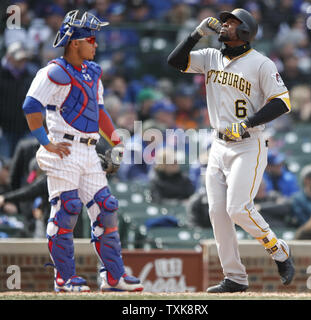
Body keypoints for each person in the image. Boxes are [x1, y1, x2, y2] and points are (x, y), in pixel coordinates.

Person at [168, 8, 295, 293]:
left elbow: (282, 101)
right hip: (218, 145)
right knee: (217, 212)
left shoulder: (261, 64)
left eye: (231, 22)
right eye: (224, 21)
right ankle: (235, 277)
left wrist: (247, 123)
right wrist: (196, 34)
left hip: (248, 143)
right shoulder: (211, 56)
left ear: (246, 30)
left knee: (237, 208)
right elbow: (175, 61)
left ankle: (278, 250)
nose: (223, 25)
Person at [21, 10, 143, 293]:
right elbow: (30, 106)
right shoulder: (53, 71)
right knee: (67, 210)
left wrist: (116, 141)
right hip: (63, 149)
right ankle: (64, 279)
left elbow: (99, 112)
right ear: (74, 42)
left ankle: (113, 277)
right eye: (91, 39)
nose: (95, 44)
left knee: (107, 208)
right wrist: (46, 142)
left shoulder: (93, 71)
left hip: (88, 150)